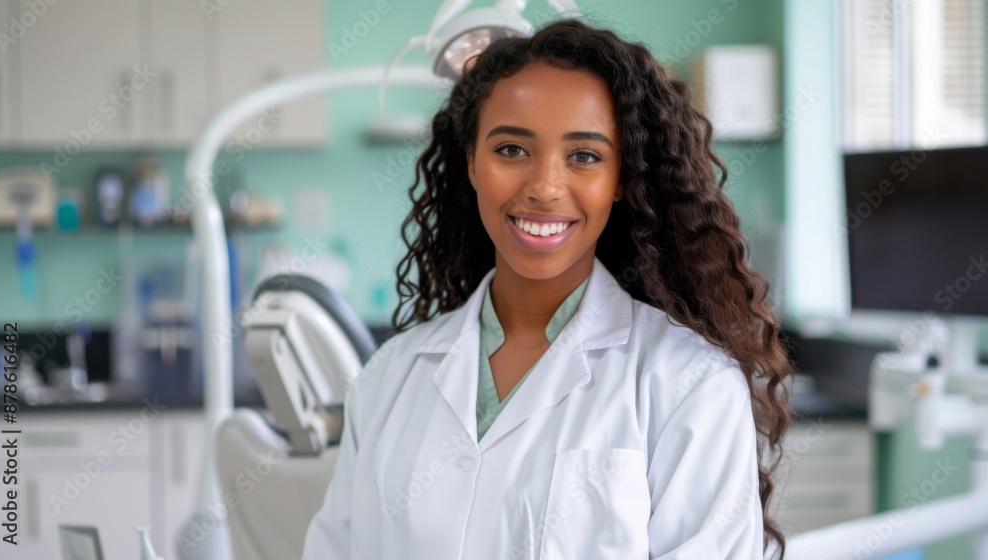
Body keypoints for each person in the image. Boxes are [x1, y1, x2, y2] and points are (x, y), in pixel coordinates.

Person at [302, 18, 792, 560]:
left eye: (584, 155)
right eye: (511, 149)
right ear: (471, 162)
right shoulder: (391, 377)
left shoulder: (688, 385)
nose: (543, 187)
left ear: (621, 179)